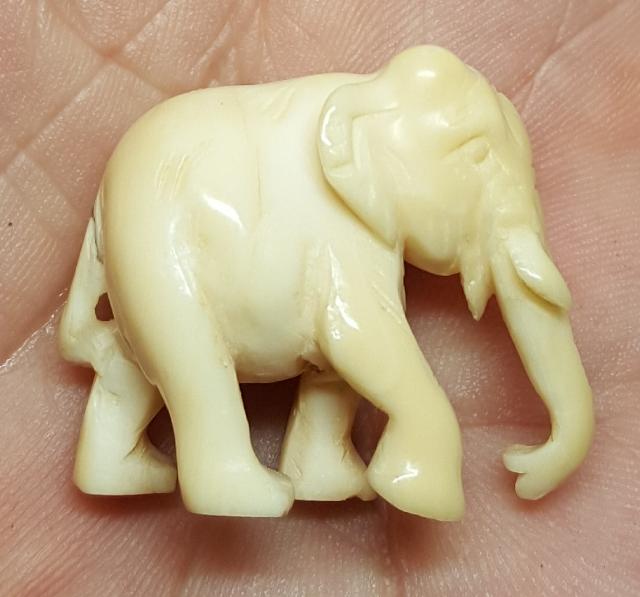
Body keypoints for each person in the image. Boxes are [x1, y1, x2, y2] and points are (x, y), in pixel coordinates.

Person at [1, 1, 638, 594]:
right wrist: (428, 426)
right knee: (186, 336)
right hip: (179, 211)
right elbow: (356, 330)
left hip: (176, 179)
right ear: (370, 150)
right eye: (473, 163)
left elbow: (344, 335)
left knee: (168, 345)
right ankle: (218, 461)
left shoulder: (359, 186)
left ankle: (259, 453)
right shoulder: (354, 179)